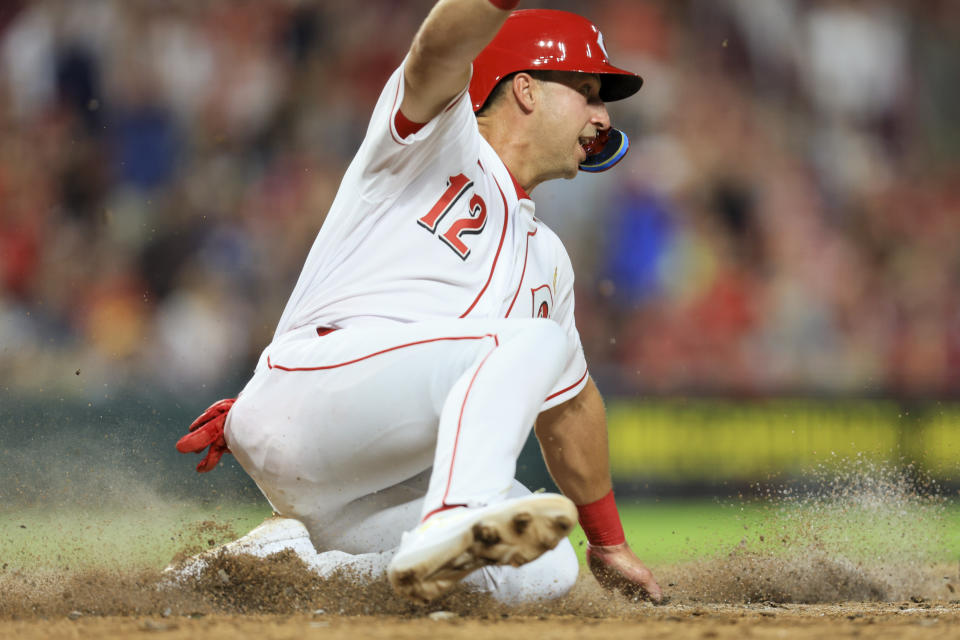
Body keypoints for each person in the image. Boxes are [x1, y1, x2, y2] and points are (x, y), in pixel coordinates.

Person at [174, 1, 662, 606]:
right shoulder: (436, 141)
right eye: (588, 90)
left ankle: (280, 570)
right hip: (311, 401)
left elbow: (571, 409)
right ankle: (453, 518)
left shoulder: (549, 260)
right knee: (530, 342)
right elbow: (437, 52)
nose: (601, 113)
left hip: (386, 469)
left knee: (545, 572)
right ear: (527, 90)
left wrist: (607, 543)